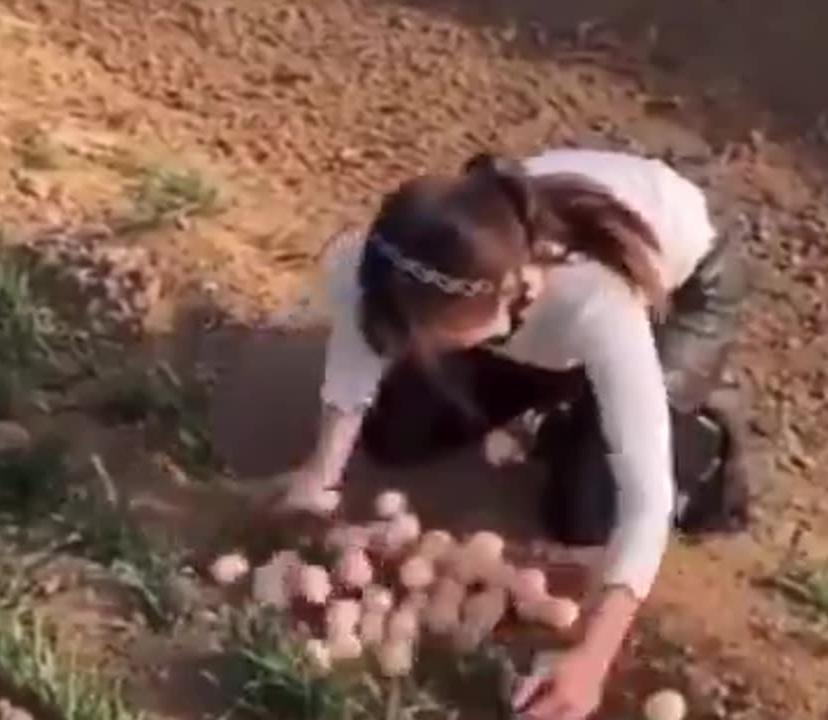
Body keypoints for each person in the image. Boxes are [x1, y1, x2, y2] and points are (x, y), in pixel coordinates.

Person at [275, 147, 751, 720]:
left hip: (686, 286)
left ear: (501, 301)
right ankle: (573, 393)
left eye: (429, 331)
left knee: (587, 512)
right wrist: (320, 474)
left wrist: (591, 659)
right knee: (397, 434)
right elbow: (361, 349)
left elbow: (645, 501)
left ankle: (688, 424)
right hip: (523, 315)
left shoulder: (596, 300)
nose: (412, 343)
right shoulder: (381, 263)